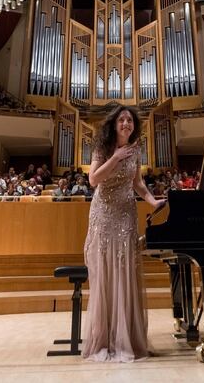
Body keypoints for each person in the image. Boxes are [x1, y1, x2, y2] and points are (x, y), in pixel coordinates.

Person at [82, 105, 164, 362]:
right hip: (104, 215)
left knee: (125, 271)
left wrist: (153, 203)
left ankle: (126, 337)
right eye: (122, 120)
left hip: (126, 214)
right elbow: (93, 180)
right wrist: (116, 157)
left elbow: (138, 183)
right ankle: (104, 339)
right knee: (107, 271)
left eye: (130, 120)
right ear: (114, 124)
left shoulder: (135, 151)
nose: (126, 123)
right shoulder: (103, 148)